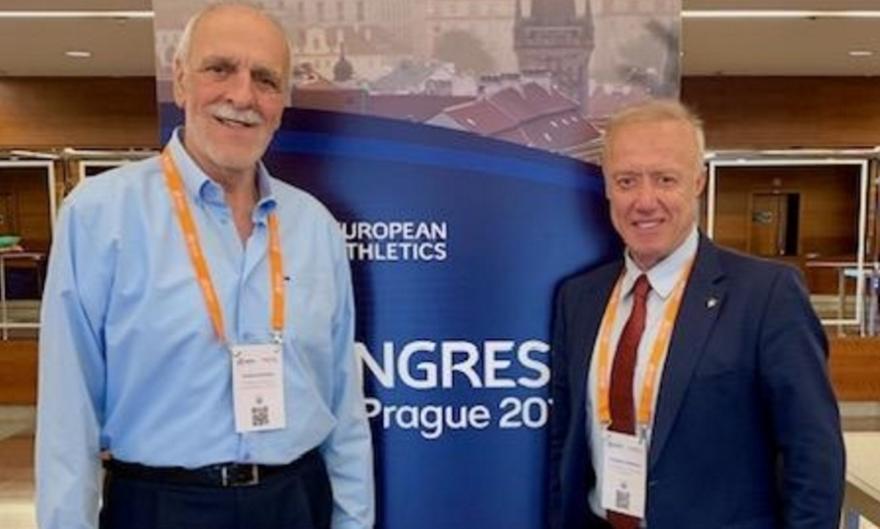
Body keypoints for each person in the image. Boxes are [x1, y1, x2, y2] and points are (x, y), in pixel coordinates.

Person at [35, 4, 374, 529]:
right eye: (220, 69)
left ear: (282, 102)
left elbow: (344, 405)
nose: (242, 96)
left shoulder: (315, 227)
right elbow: (67, 413)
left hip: (295, 501)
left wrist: (353, 522)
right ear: (180, 81)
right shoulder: (100, 216)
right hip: (160, 507)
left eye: (265, 80)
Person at [548, 99, 844, 529]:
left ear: (698, 182)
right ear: (608, 188)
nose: (644, 201)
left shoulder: (766, 295)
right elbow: (565, 442)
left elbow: (814, 455)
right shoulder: (578, 299)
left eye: (665, 179)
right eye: (627, 181)